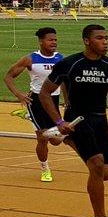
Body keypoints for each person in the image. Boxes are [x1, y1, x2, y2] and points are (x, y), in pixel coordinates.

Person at [40, 24, 108, 217]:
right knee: (96, 165)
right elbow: (45, 93)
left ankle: (66, 139)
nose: (105, 42)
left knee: (106, 173)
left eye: (107, 38)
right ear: (87, 41)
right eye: (99, 38)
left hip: (100, 120)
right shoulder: (70, 64)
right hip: (76, 120)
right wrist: (60, 121)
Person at [3, 28, 65, 182]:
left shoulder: (60, 59)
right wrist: (19, 94)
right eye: (50, 40)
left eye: (55, 40)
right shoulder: (30, 59)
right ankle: (45, 169)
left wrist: (67, 99)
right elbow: (8, 77)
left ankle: (28, 116)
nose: (54, 42)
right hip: (36, 101)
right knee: (43, 139)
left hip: (54, 101)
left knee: (56, 141)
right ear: (41, 41)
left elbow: (64, 80)